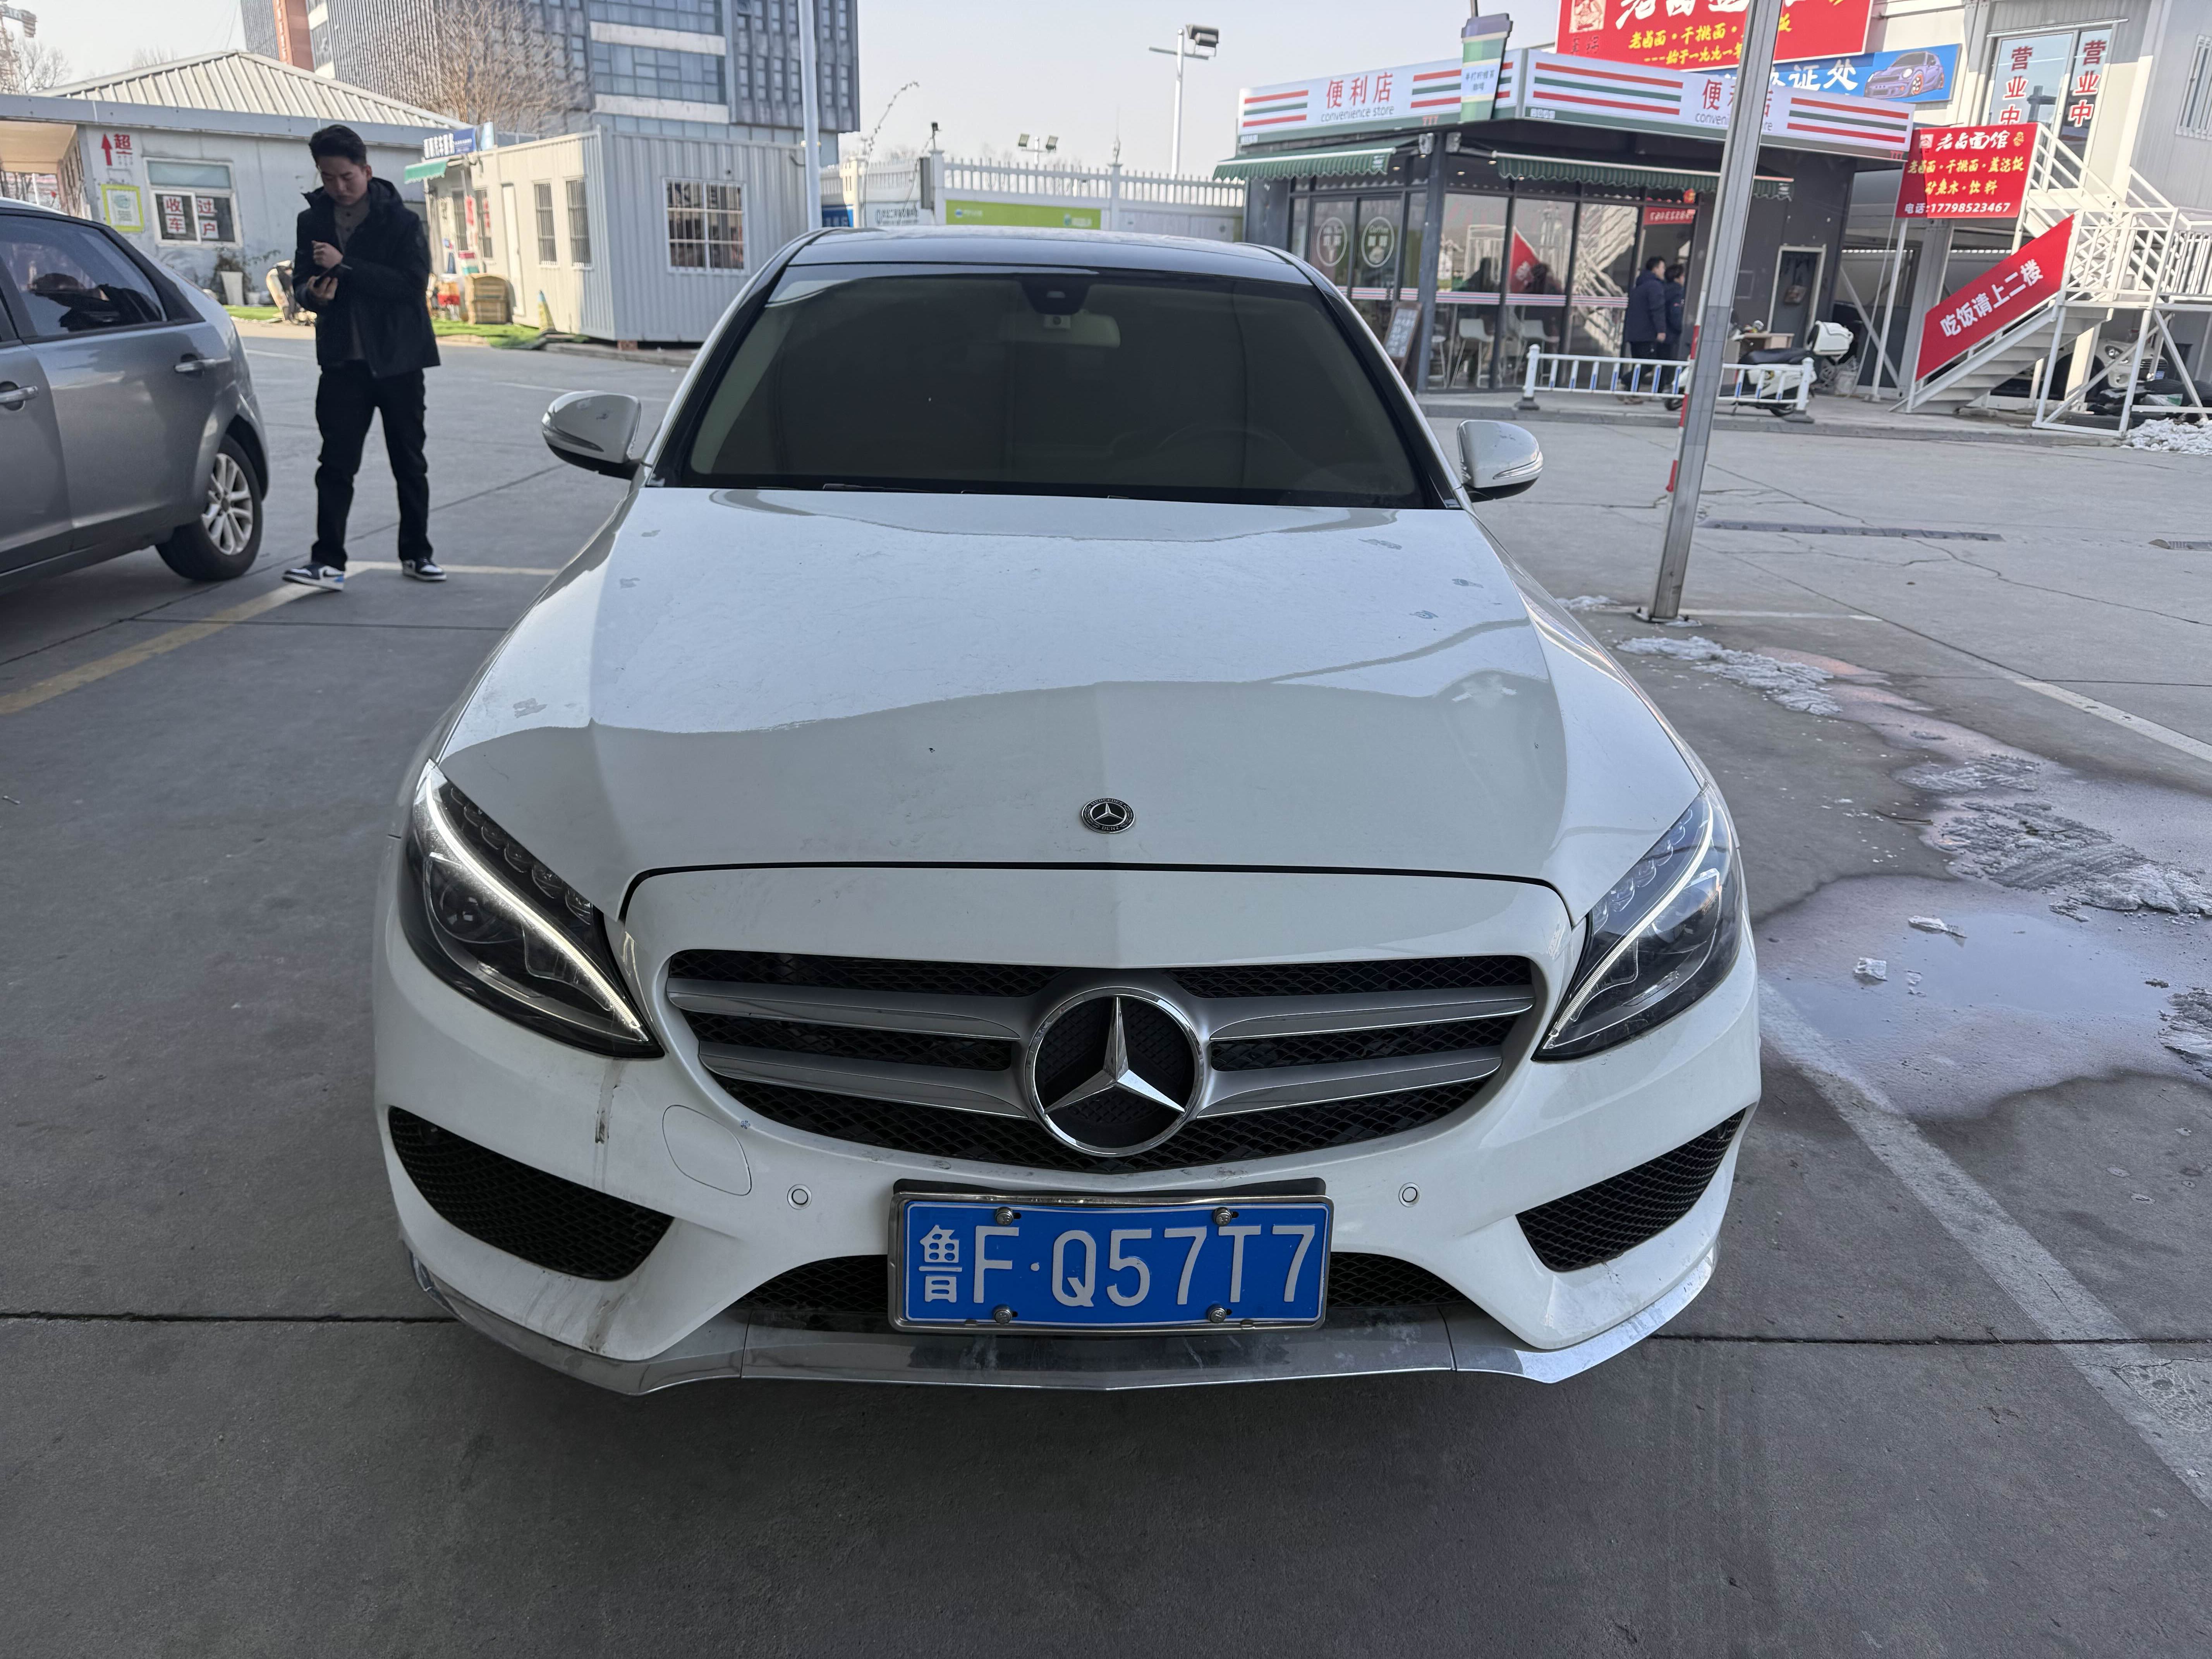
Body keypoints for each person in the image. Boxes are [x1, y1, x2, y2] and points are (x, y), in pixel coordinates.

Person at [283, 124, 444, 591]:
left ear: (367, 171)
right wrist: (313, 295)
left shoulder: (401, 221)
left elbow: (410, 287)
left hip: (398, 361)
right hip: (342, 364)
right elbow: (301, 281)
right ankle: (327, 562)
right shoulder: (312, 221)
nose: (338, 187)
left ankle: (418, 554)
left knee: (408, 462)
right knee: (335, 465)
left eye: (346, 177)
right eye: (327, 177)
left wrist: (345, 267)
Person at [1623, 255, 1669, 397]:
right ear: (1655, 269)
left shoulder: (1640, 286)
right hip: (1646, 334)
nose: (1664, 271)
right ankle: (1625, 381)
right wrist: (1661, 330)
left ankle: (1631, 393)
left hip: (1634, 333)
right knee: (1648, 364)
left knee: (1638, 363)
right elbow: (1657, 309)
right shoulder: (1655, 286)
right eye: (1662, 268)